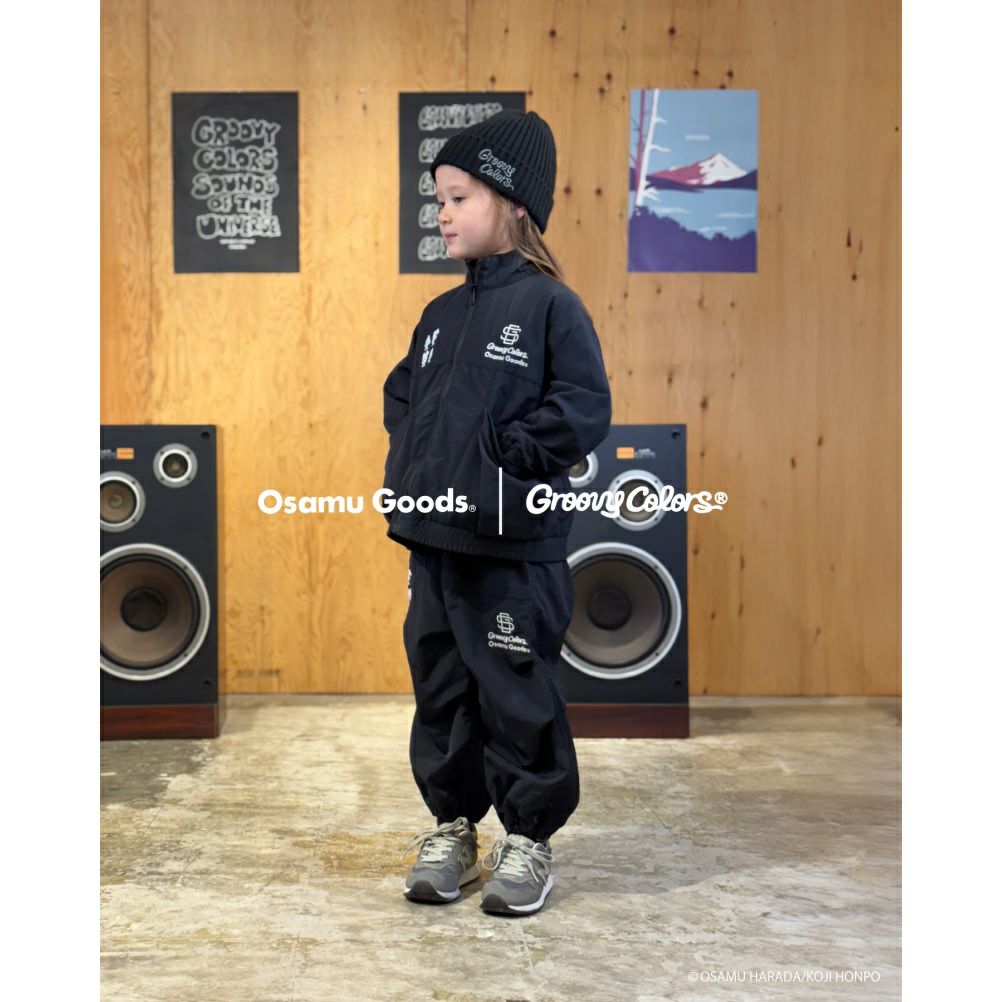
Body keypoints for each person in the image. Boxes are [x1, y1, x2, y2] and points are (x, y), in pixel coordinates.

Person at [383, 108, 612, 916]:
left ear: (513, 204)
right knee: (441, 689)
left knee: (515, 691)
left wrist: (504, 456)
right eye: (438, 201)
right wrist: (417, 466)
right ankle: (453, 826)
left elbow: (582, 407)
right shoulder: (439, 318)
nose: (441, 216)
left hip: (514, 549)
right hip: (435, 540)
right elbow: (402, 396)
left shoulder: (551, 307)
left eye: (458, 198)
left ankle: (529, 838)